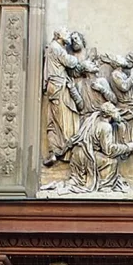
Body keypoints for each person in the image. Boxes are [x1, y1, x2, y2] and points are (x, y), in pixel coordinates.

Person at [58, 102, 133, 193]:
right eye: (114, 110)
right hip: (86, 157)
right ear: (108, 114)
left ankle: (82, 179)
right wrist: (128, 147)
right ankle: (104, 186)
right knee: (112, 162)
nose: (117, 112)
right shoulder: (106, 127)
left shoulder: (92, 118)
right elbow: (109, 151)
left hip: (76, 154)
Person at [42, 29, 91, 165]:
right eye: (67, 32)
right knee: (65, 121)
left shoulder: (53, 47)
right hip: (60, 88)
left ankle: (55, 151)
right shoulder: (56, 48)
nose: (69, 35)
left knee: (54, 120)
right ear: (59, 35)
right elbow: (70, 62)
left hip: (55, 87)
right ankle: (63, 152)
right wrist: (79, 60)